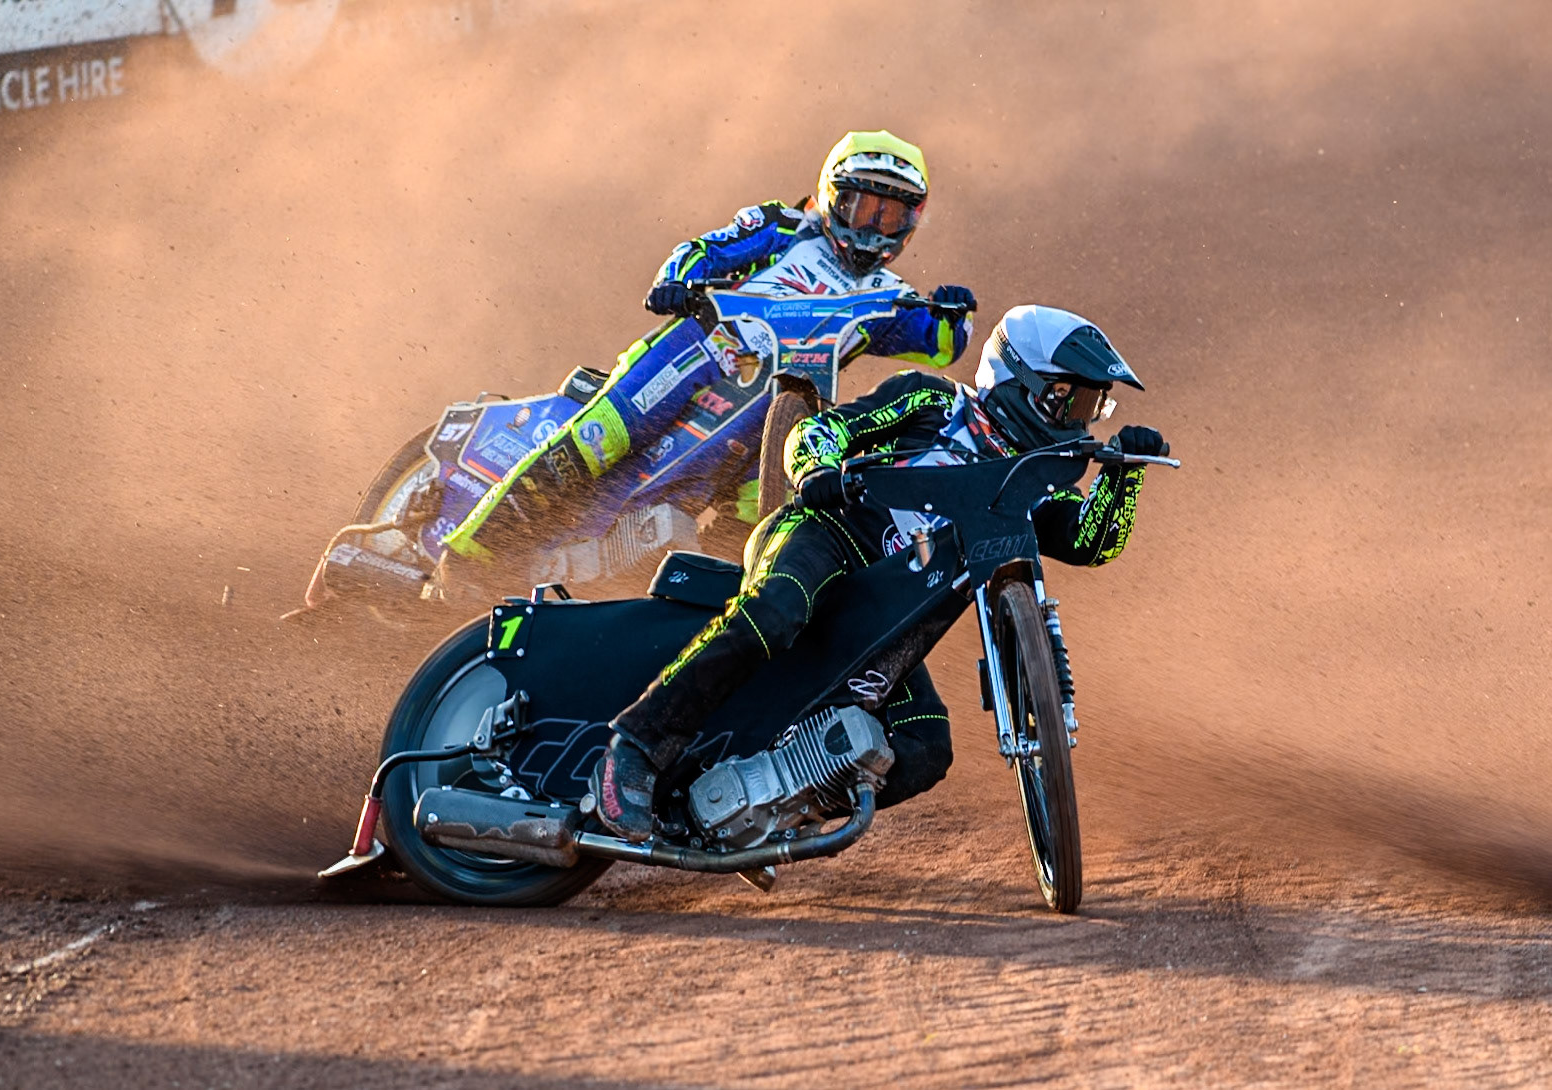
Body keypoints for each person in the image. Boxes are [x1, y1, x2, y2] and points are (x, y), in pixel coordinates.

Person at [591, 304, 1170, 842]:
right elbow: (820, 430)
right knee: (778, 609)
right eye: (1073, 401)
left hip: (889, 620)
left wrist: (1126, 476)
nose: (1083, 419)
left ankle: (771, 807)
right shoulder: (935, 403)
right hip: (829, 536)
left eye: (1096, 406)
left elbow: (1091, 542)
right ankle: (634, 749)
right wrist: (817, 468)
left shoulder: (1029, 481)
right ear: (1025, 384)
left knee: (926, 745)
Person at [439, 130, 976, 562]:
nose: (875, 227)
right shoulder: (785, 227)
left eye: (892, 215)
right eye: (864, 208)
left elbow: (938, 343)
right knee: (600, 439)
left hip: (772, 416)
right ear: (834, 197)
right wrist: (677, 278)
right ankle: (465, 555)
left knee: (759, 521)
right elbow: (706, 249)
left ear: (912, 222)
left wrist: (955, 314)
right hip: (701, 353)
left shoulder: (890, 297)